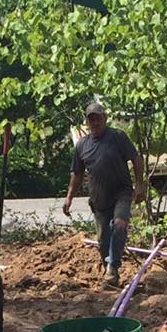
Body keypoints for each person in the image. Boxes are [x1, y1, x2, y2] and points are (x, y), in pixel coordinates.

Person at [63, 101, 146, 290]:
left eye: (98, 118)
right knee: (102, 240)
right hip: (99, 199)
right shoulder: (82, 146)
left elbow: (136, 158)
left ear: (105, 119)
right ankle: (111, 272)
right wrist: (69, 197)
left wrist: (140, 184)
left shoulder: (117, 137)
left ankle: (112, 268)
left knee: (119, 224)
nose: (95, 123)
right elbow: (77, 174)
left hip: (122, 192)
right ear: (87, 122)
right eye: (91, 120)